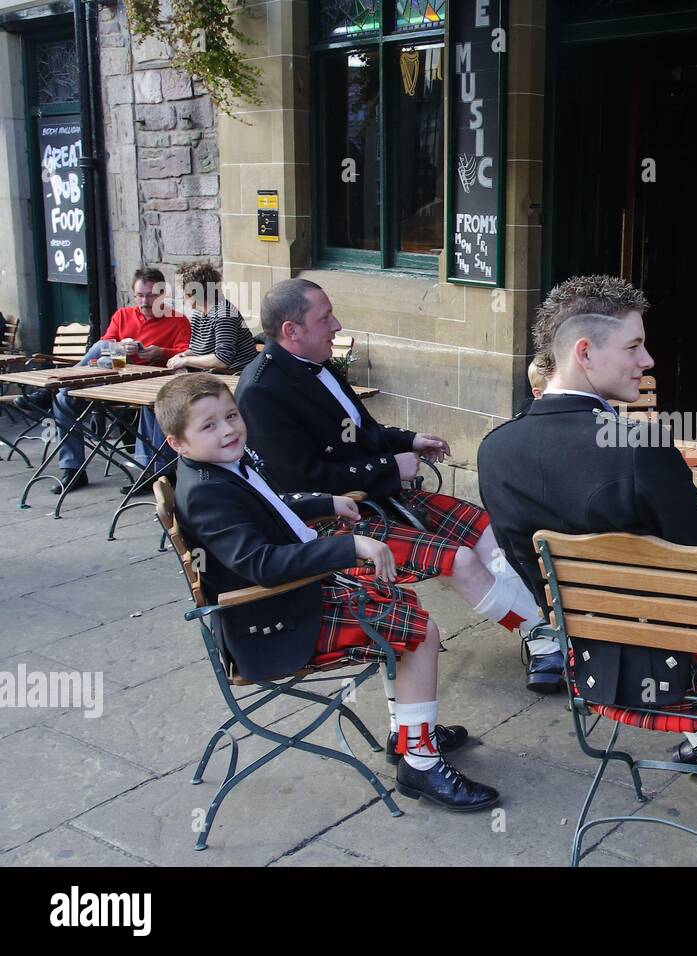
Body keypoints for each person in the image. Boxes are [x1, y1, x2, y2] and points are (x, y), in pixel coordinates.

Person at [478, 275, 697, 803]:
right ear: (585, 352)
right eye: (635, 346)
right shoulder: (639, 446)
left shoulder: (494, 450)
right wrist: (695, 517)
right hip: (681, 658)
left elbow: (535, 573)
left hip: (588, 662)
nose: (648, 361)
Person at [159, 373, 497, 811]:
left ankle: (408, 731)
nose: (228, 429)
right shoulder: (208, 494)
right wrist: (347, 545)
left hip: (286, 603)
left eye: (231, 415)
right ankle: (420, 760)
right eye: (209, 425)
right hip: (272, 626)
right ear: (178, 444)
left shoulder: (216, 468)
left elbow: (267, 504)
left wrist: (324, 502)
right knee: (417, 632)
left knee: (399, 604)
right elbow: (260, 563)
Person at [235, 279, 552, 692]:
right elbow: (303, 481)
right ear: (291, 331)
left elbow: (360, 431)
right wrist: (388, 467)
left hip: (379, 498)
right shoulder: (261, 391)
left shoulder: (320, 365)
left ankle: (538, 633)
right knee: (458, 560)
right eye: (325, 317)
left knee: (488, 530)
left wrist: (408, 441)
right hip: (331, 520)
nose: (337, 324)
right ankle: (548, 641)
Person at [46, 267, 191, 494]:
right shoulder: (122, 315)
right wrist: (120, 347)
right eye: (140, 295)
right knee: (64, 396)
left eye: (151, 295)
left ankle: (153, 474)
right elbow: (105, 348)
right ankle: (73, 470)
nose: (144, 301)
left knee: (154, 403)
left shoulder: (178, 321)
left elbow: (184, 354)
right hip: (115, 372)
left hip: (150, 379)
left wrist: (159, 352)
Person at [132, 261, 260, 491]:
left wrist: (186, 361)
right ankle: (150, 467)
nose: (180, 294)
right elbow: (199, 349)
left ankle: (163, 470)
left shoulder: (223, 314)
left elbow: (223, 357)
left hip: (231, 379)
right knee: (153, 402)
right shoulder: (201, 314)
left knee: (172, 404)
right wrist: (184, 354)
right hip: (209, 377)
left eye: (183, 289)